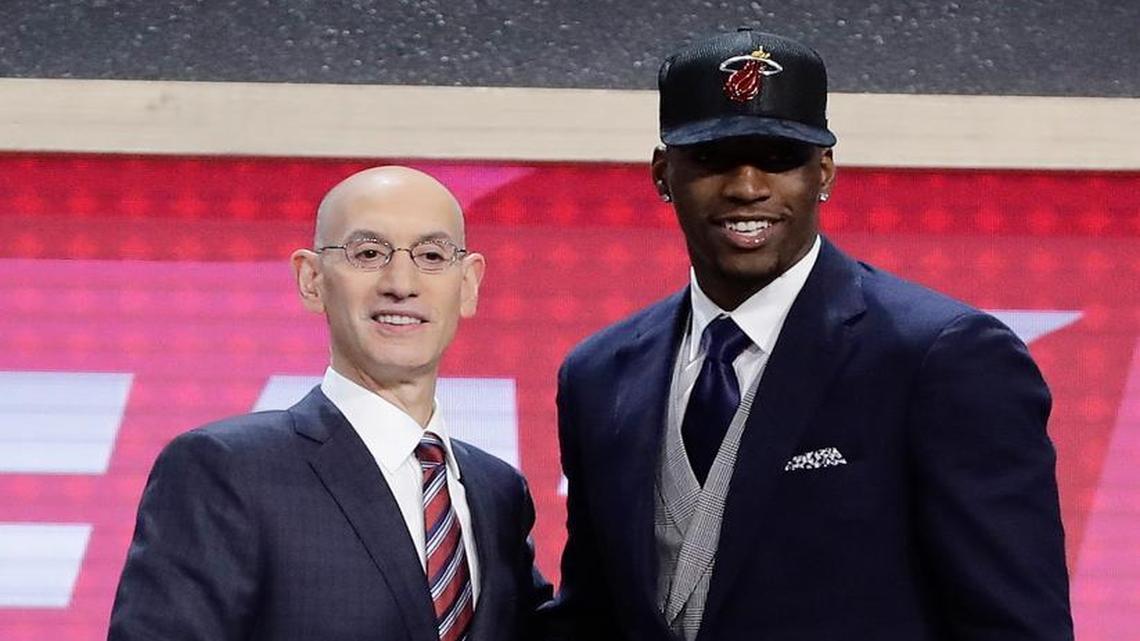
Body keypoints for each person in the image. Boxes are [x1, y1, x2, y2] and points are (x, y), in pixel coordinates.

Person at [547, 29, 1073, 641]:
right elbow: (590, 616)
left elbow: (1015, 625)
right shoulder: (599, 374)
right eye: (713, 157)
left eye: (778, 158)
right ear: (664, 174)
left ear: (823, 172)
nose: (747, 187)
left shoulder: (943, 356)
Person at [109, 166, 551, 641]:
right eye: (369, 253)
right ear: (312, 279)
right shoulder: (226, 470)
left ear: (467, 284)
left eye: (431, 255)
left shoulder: (498, 492)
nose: (401, 283)